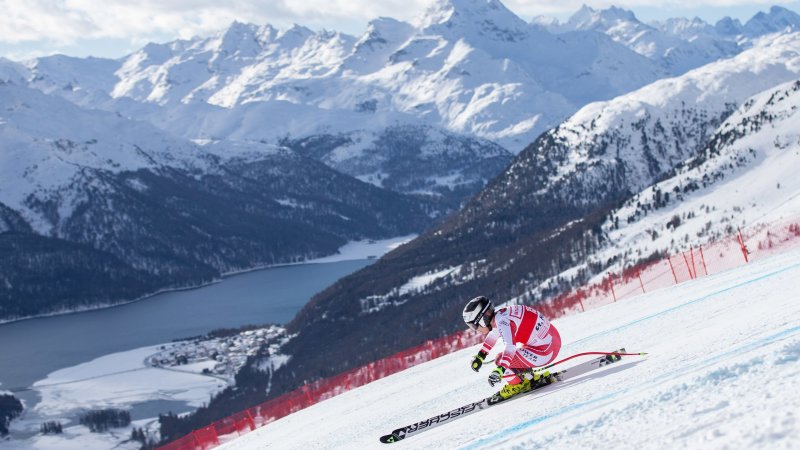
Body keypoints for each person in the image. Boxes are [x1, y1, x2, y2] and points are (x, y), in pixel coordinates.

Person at [462, 296, 562, 399]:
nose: (476, 330)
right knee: (508, 357)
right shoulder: (501, 315)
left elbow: (510, 347)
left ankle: (518, 384)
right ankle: (529, 377)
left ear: (483, 318)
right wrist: (481, 355)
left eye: (474, 326)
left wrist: (500, 369)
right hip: (552, 341)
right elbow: (493, 335)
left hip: (546, 351)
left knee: (500, 359)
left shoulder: (503, 322)